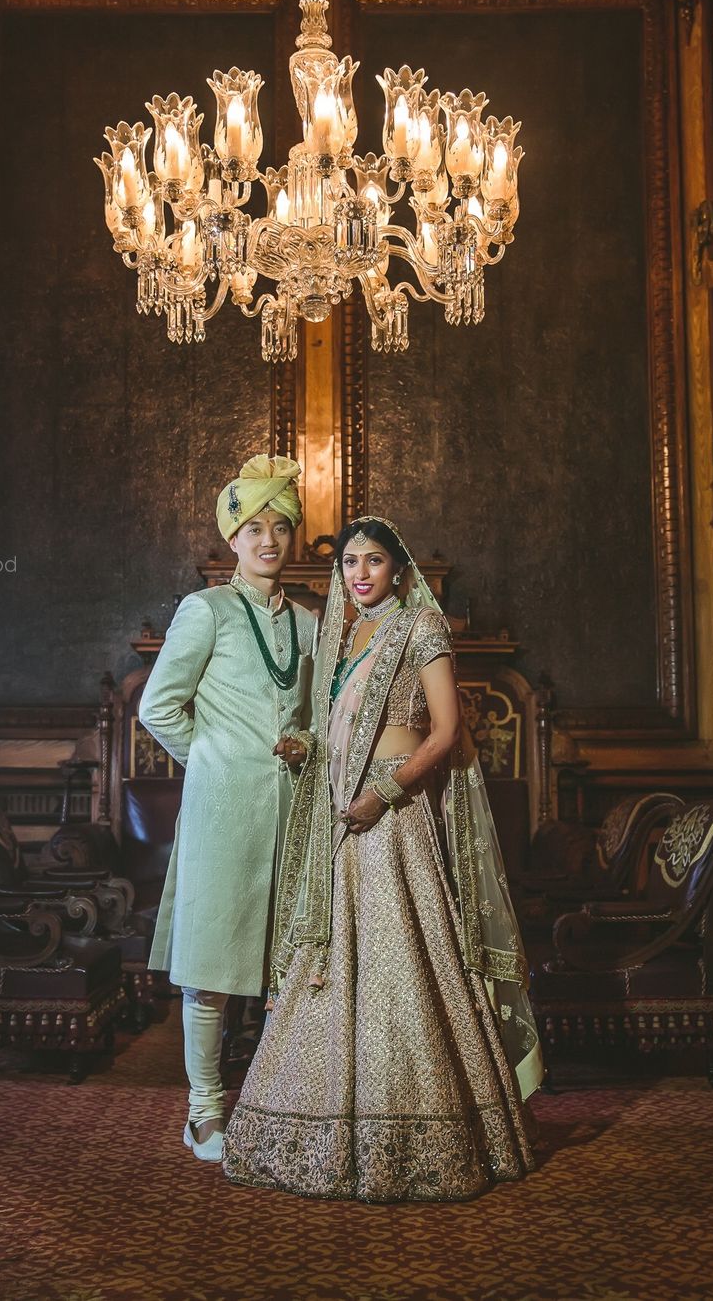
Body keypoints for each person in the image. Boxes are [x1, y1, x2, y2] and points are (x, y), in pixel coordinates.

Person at [222, 515, 542, 1203]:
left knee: (406, 954)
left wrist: (386, 791)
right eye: (348, 563)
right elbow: (342, 727)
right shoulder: (346, 637)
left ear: (399, 569)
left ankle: (429, 1125)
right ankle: (320, 1123)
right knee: (334, 957)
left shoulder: (421, 627)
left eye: (372, 561)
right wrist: (310, 751)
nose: (359, 573)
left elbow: (448, 732)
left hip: (395, 815)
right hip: (344, 810)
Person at [139, 455, 317, 1163]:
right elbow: (158, 706)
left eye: (280, 526)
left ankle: (276, 1100)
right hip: (222, 813)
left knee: (290, 966)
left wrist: (303, 738)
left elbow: (319, 714)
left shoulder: (308, 621)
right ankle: (204, 1112)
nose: (269, 539)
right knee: (211, 969)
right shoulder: (204, 608)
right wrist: (212, 757)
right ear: (232, 539)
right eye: (254, 527)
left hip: (294, 815)